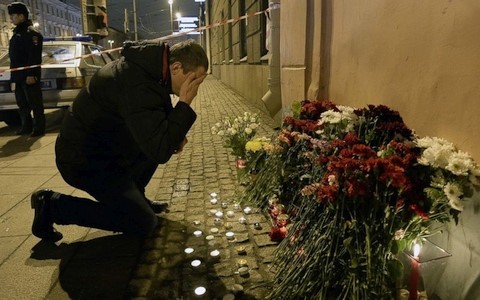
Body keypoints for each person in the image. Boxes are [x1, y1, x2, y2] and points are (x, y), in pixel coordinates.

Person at [30, 39, 208, 242]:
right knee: (143, 222)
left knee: (156, 141)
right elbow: (160, 149)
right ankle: (53, 206)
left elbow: (163, 132)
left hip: (110, 150)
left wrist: (174, 135)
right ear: (176, 67)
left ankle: (135, 198)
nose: (195, 88)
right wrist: (184, 103)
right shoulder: (136, 82)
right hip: (84, 160)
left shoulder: (152, 73)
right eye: (194, 81)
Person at [8, 2, 45, 137]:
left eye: (13, 15)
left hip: (28, 75)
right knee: (22, 104)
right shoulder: (17, 33)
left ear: (22, 16)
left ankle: (39, 128)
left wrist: (32, 74)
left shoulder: (32, 34)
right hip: (18, 75)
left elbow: (34, 56)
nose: (11, 18)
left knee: (35, 103)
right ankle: (26, 126)